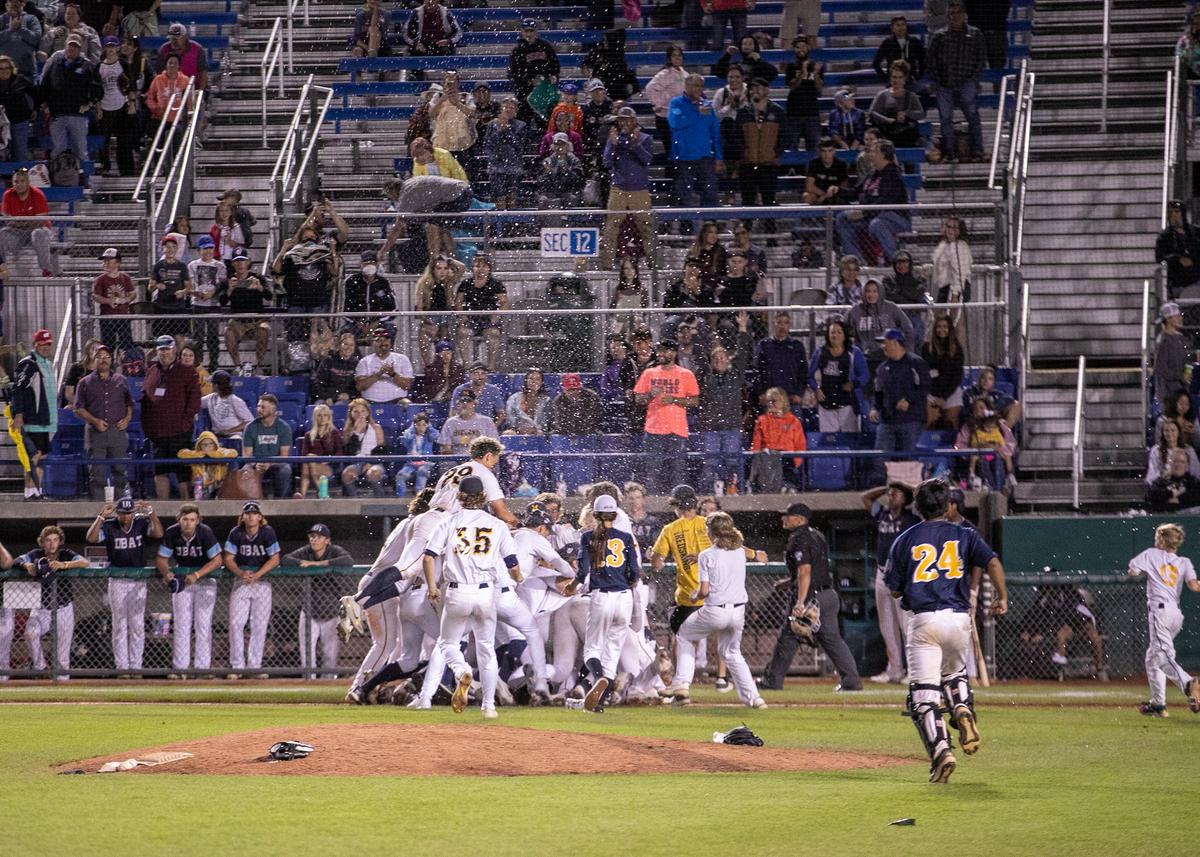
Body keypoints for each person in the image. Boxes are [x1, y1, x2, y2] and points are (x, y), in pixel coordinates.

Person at [884, 478, 1008, 783]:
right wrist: (1003, 597)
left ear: (917, 506)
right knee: (954, 673)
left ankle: (941, 751)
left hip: (925, 620)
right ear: (947, 505)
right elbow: (992, 562)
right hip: (958, 618)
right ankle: (963, 709)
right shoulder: (964, 532)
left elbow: (895, 591)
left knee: (923, 698)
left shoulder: (905, 538)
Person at [423, 474, 521, 719]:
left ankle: (461, 671)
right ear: (483, 498)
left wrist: (432, 587)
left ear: (460, 497)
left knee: (448, 644)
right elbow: (512, 564)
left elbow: (428, 557)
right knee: (486, 649)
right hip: (486, 592)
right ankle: (489, 707)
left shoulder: (448, 522)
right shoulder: (497, 525)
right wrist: (518, 578)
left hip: (458, 591)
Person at [760, 503, 863, 692]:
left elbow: (805, 571)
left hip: (811, 599)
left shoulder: (799, 538)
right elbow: (813, 569)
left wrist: (800, 602)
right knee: (832, 639)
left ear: (800, 519)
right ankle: (851, 680)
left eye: (788, 516)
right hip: (828, 596)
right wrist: (789, 582)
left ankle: (771, 681)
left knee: (789, 636)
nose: (784, 518)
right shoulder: (817, 534)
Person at [674, 512, 768, 708]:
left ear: (711, 531)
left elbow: (704, 591)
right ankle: (755, 699)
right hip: (738, 612)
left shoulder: (706, 555)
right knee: (733, 653)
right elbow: (741, 549)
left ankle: (681, 685)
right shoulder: (739, 552)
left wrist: (694, 596)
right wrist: (758, 554)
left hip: (715, 611)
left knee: (683, 635)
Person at [573, 493, 639, 712]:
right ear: (615, 513)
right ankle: (599, 704)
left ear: (595, 514)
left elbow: (582, 572)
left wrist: (573, 585)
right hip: (624, 597)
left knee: (592, 649)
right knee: (612, 651)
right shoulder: (626, 537)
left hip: (602, 596)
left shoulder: (588, 537)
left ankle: (599, 678)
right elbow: (634, 573)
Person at [1127, 522, 1200, 718]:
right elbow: (1194, 586)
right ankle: (1158, 704)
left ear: (1161, 539)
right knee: (1153, 658)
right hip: (1175, 615)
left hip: (1160, 612)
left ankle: (1189, 683)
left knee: (1162, 656)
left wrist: (1141, 572)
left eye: (1157, 537)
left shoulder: (1151, 553)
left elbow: (1132, 570)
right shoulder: (1184, 561)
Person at [85, 496, 163, 675]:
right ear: (118, 513)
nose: (126, 517)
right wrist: (101, 516)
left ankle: (136, 667)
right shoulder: (110, 525)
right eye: (123, 513)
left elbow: (158, 533)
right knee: (119, 624)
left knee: (136, 624)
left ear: (133, 513)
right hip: (117, 579)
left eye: (129, 513)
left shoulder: (141, 523)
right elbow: (91, 538)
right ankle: (122, 667)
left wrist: (151, 512)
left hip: (137, 579)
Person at [650, 484, 710, 701]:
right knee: (728, 647)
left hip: (688, 598)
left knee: (683, 638)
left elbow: (657, 565)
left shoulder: (670, 529)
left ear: (678, 506)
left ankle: (681, 683)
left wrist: (652, 555)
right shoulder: (709, 524)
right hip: (718, 596)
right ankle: (724, 681)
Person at [156, 503, 224, 677]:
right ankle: (181, 668)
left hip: (205, 580)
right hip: (182, 580)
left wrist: (197, 574)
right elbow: (161, 559)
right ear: (179, 519)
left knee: (203, 625)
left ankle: (202, 668)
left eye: (192, 519)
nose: (188, 523)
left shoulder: (205, 532)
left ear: (198, 520)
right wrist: (167, 573)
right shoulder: (172, 532)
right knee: (181, 624)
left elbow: (217, 560)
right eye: (185, 519)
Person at [861, 482, 919, 684]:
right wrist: (884, 489)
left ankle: (914, 670)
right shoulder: (882, 514)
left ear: (905, 499)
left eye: (897, 494)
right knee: (886, 626)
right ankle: (894, 668)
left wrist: (906, 490)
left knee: (906, 625)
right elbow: (866, 498)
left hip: (901, 575)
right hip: (881, 572)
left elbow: (919, 498)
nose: (892, 496)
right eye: (891, 493)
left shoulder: (910, 518)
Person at [16, 525, 88, 679]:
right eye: (48, 540)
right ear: (42, 543)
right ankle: (40, 667)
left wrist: (65, 565)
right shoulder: (36, 554)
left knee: (62, 656)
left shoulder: (66, 554)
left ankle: (62, 691)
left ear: (59, 541)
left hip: (64, 608)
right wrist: (26, 564)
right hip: (41, 608)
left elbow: (84, 562)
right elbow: (18, 559)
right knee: (30, 634)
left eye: (55, 540)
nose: (52, 544)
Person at [285, 523, 354, 680]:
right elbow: (286, 560)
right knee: (307, 655)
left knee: (330, 656)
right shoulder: (306, 551)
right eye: (312, 536)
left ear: (327, 540)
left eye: (318, 537)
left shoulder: (334, 550)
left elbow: (348, 561)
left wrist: (317, 564)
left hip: (332, 612)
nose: (314, 540)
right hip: (310, 611)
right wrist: (305, 563)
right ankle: (309, 685)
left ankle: (327, 685)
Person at [634, 339, 700, 494]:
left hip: (676, 431)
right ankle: (654, 503)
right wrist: (650, 394)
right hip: (653, 431)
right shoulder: (649, 373)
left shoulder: (686, 374)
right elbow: (638, 400)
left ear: (673, 353)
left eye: (664, 351)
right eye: (659, 351)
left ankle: (678, 502)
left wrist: (674, 399)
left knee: (678, 473)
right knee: (652, 473)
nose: (661, 354)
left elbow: (695, 401)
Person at [223, 502, 280, 679]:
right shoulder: (236, 532)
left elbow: (275, 559)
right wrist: (241, 573)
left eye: (254, 513)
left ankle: (254, 666)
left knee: (259, 626)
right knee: (235, 624)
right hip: (241, 582)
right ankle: (237, 665)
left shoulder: (267, 532)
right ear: (243, 516)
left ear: (260, 516)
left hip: (262, 583)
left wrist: (257, 574)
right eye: (247, 513)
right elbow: (228, 558)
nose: (251, 516)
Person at [927, 1, 987, 162]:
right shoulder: (939, 36)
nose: (955, 16)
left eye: (958, 12)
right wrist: (938, 80)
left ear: (964, 14)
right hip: (944, 83)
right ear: (947, 16)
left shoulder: (975, 34)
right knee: (945, 119)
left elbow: (980, 59)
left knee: (973, 117)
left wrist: (973, 78)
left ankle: (977, 151)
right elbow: (931, 60)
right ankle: (951, 152)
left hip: (967, 81)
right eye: (952, 13)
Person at [698, 317, 752, 494]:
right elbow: (701, 352)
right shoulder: (706, 376)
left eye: (723, 357)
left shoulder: (736, 374)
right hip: (711, 428)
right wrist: (709, 330)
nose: (719, 360)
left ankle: (733, 488)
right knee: (710, 461)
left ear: (728, 359)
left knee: (732, 461)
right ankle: (706, 492)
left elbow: (743, 352)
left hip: (731, 426)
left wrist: (742, 328)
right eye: (716, 358)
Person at [870, 329, 931, 485]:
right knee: (880, 457)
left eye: (886, 342)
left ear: (896, 343)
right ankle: (883, 489)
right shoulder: (882, 368)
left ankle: (909, 491)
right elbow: (877, 392)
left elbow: (925, 386)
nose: (883, 346)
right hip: (887, 420)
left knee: (908, 457)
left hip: (910, 419)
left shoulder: (915, 363)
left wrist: (909, 400)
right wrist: (874, 408)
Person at [73, 342, 133, 500]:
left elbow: (129, 403)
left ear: (111, 360)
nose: (103, 359)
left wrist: (127, 419)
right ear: (93, 360)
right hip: (95, 432)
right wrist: (95, 421)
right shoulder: (84, 382)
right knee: (96, 471)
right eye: (99, 357)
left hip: (117, 431)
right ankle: (98, 508)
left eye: (106, 356)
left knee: (120, 470)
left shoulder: (121, 380)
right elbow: (78, 408)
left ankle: (122, 505)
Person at [836, 140, 910, 265]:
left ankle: (898, 263)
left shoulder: (892, 173)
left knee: (877, 224)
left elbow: (885, 202)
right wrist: (837, 190)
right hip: (871, 216)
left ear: (883, 155)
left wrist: (864, 212)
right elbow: (854, 192)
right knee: (842, 218)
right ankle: (859, 262)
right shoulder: (872, 174)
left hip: (895, 217)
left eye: (874, 151)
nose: (870, 154)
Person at [601, 106, 656, 268]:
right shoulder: (614, 139)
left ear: (634, 120)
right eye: (621, 120)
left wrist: (636, 144)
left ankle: (653, 263)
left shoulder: (645, 138)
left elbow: (647, 160)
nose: (624, 123)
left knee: (646, 226)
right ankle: (607, 264)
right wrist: (612, 144)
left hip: (639, 190)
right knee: (611, 226)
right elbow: (606, 162)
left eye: (628, 119)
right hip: (619, 189)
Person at [668, 74, 723, 234]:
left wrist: (719, 157)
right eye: (695, 85)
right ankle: (686, 234)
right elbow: (675, 123)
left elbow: (715, 134)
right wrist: (696, 113)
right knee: (684, 196)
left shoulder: (708, 106)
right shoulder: (676, 103)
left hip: (705, 159)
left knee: (710, 194)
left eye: (700, 86)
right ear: (686, 85)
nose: (698, 89)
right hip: (683, 159)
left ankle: (710, 231)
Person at [39, 32, 101, 165]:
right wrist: (45, 104)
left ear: (80, 49)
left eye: (75, 46)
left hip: (77, 115)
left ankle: (85, 181)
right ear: (65, 46)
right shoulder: (55, 63)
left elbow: (97, 88)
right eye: (70, 46)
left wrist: (90, 104)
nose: (72, 49)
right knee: (58, 150)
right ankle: (58, 178)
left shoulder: (87, 65)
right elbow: (45, 84)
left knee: (80, 150)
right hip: (57, 114)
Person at [271, 221, 337, 342]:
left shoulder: (321, 254)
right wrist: (284, 249)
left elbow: (334, 272)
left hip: (317, 302)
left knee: (318, 337)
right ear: (301, 239)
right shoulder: (291, 255)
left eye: (312, 237)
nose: (309, 240)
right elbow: (276, 268)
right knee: (295, 337)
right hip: (296, 303)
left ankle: (317, 360)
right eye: (305, 237)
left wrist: (332, 251)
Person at [11, 329, 57, 499]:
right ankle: (30, 492)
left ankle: (37, 491)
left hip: (47, 421)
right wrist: (18, 414)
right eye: (42, 344)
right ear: (35, 345)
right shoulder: (28, 364)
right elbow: (18, 388)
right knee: (33, 456)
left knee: (41, 457)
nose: (46, 347)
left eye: (48, 344)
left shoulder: (48, 364)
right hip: (34, 420)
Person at [808, 318, 868, 433]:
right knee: (829, 442)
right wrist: (816, 389)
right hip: (826, 404)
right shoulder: (820, 352)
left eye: (839, 332)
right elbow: (809, 376)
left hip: (848, 404)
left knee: (850, 442)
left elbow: (865, 375)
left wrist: (853, 384)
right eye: (832, 332)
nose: (835, 335)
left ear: (845, 335)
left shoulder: (854, 352)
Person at [847, 279, 914, 379]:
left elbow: (908, 328)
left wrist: (907, 352)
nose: (871, 294)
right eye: (868, 291)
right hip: (865, 358)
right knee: (866, 390)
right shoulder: (856, 310)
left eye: (875, 291)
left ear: (880, 292)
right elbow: (843, 330)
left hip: (889, 357)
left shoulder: (891, 308)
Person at [737, 77, 784, 214]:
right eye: (752, 88)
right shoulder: (743, 112)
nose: (755, 91)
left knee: (769, 202)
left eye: (759, 87)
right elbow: (735, 136)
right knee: (747, 203)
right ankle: (746, 232)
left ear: (767, 90)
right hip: (747, 165)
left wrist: (776, 152)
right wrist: (743, 152)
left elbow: (786, 136)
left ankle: (770, 233)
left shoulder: (777, 111)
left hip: (768, 165)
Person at [749, 385, 808, 492]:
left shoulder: (793, 421)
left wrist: (796, 462)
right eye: (769, 401)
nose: (771, 404)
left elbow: (800, 445)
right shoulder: (762, 420)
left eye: (774, 401)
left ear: (782, 401)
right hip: (767, 458)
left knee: (784, 461)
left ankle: (787, 486)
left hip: (787, 459)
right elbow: (756, 444)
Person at [0, 167, 56, 276]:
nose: (19, 184)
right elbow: (8, 221)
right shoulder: (8, 195)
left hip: (39, 230)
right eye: (16, 182)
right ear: (12, 183)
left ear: (28, 182)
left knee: (37, 233)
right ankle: (3, 270)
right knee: (2, 233)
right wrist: (28, 221)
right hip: (18, 232)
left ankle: (46, 270)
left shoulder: (37, 194)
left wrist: (18, 222)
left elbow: (40, 222)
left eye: (22, 181)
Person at [221, 253, 271, 372]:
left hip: (256, 321)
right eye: (237, 261)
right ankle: (237, 366)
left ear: (248, 262)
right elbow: (222, 302)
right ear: (233, 263)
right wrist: (230, 289)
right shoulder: (229, 279)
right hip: (237, 322)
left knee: (264, 329)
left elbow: (269, 296)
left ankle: (259, 366)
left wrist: (259, 288)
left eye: (242, 261)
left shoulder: (257, 278)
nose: (240, 264)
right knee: (228, 332)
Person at [95, 34, 137, 176]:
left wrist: (132, 103)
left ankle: (127, 171)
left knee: (124, 141)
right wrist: (99, 107)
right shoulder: (99, 67)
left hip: (121, 106)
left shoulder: (123, 64)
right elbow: (97, 89)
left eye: (113, 46)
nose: (111, 49)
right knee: (104, 141)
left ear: (118, 47)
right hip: (105, 108)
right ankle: (105, 168)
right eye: (108, 46)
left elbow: (131, 85)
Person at [644, 46, 688, 178]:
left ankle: (678, 181)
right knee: (672, 149)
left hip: (680, 119)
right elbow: (650, 89)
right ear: (669, 58)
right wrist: (659, 104)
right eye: (674, 55)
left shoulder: (685, 74)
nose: (677, 58)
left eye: (679, 55)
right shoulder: (664, 74)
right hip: (665, 118)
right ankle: (672, 182)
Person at [415, 253, 465, 364]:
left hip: (447, 317)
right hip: (430, 317)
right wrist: (429, 322)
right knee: (424, 335)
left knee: (445, 331)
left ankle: (447, 363)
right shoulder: (423, 284)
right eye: (439, 268)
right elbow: (419, 308)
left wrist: (450, 260)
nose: (442, 271)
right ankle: (428, 366)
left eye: (445, 268)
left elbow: (462, 268)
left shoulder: (449, 282)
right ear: (432, 270)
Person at [930, 216, 973, 343]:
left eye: (954, 228)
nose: (950, 230)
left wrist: (955, 294)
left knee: (957, 322)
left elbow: (960, 272)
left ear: (960, 231)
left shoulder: (960, 246)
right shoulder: (943, 245)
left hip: (957, 287)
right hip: (944, 287)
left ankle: (958, 356)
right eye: (948, 227)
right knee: (940, 322)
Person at [242, 393, 294, 499]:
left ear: (273, 410)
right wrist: (256, 464)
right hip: (255, 464)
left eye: (263, 407)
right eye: (258, 406)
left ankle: (280, 502)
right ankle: (250, 504)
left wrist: (269, 463)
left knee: (285, 469)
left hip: (275, 465)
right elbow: (247, 455)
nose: (259, 409)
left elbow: (284, 456)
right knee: (245, 469)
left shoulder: (284, 428)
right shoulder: (250, 427)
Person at [508, 19, 559, 126]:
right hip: (525, 94)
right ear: (521, 32)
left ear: (536, 32)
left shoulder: (545, 46)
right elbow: (514, 73)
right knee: (523, 122)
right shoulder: (517, 50)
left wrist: (553, 75)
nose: (529, 34)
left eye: (531, 31)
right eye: (526, 31)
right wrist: (529, 80)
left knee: (545, 121)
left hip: (544, 92)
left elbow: (555, 65)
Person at [753, 312, 809, 409]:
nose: (782, 326)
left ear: (789, 325)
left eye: (785, 323)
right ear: (774, 323)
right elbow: (757, 370)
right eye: (779, 322)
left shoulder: (797, 346)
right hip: (770, 398)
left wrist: (799, 393)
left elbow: (803, 371)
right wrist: (761, 393)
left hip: (791, 397)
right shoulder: (763, 345)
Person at [187, 235, 226, 372]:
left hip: (213, 305)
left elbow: (223, 285)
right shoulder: (192, 265)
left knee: (213, 336)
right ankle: (198, 365)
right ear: (199, 250)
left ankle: (214, 365)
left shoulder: (220, 265)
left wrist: (213, 293)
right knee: (197, 337)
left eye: (210, 248)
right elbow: (189, 285)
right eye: (205, 249)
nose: (208, 251)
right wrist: (196, 293)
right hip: (197, 304)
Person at [483, 96, 528, 211]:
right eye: (506, 107)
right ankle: (499, 225)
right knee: (499, 198)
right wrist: (499, 131)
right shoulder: (492, 125)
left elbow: (519, 146)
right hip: (496, 167)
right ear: (501, 109)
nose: (508, 110)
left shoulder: (521, 125)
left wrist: (506, 130)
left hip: (514, 167)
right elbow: (488, 145)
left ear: (516, 111)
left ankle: (512, 225)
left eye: (511, 108)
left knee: (512, 198)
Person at [869, 60, 925, 148]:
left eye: (900, 77)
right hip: (887, 133)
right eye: (894, 77)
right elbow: (873, 112)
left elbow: (921, 114)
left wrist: (907, 114)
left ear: (905, 78)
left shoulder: (911, 96)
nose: (897, 80)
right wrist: (888, 120)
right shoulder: (883, 94)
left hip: (905, 135)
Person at [922, 315, 965, 428]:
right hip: (931, 390)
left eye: (945, 327)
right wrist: (936, 396)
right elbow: (926, 372)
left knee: (951, 421)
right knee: (928, 419)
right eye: (939, 326)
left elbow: (957, 376)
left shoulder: (957, 349)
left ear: (949, 329)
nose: (942, 329)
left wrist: (944, 397)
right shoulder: (926, 348)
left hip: (950, 390)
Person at [429, 69, 477, 172]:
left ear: (458, 83)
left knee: (463, 174)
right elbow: (431, 114)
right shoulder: (437, 97)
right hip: (442, 143)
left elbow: (472, 113)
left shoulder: (466, 96)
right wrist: (443, 99)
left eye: (453, 82)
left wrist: (457, 103)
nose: (451, 85)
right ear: (444, 83)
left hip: (463, 143)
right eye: (448, 82)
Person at [340, 397, 387, 497]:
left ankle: (380, 500)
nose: (360, 414)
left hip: (375, 461)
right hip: (356, 462)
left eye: (363, 411)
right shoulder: (347, 431)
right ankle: (354, 501)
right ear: (351, 414)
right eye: (356, 411)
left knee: (373, 473)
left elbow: (381, 450)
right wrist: (356, 432)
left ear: (367, 412)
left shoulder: (376, 428)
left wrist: (370, 462)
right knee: (346, 474)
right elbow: (349, 453)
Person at [355, 326, 414, 405]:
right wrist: (379, 374)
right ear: (372, 343)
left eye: (386, 340)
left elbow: (407, 386)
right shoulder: (364, 361)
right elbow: (360, 386)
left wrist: (393, 374)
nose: (383, 343)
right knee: (359, 405)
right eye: (378, 340)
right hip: (369, 402)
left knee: (408, 404)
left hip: (397, 401)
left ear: (390, 342)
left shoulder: (402, 359)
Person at [92, 247, 135, 353]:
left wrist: (125, 300)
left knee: (127, 344)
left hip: (123, 316)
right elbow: (96, 296)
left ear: (117, 263)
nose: (105, 263)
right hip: (107, 317)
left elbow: (133, 294)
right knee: (108, 345)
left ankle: (127, 365)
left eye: (108, 261)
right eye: (104, 261)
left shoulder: (125, 277)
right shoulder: (101, 279)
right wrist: (108, 301)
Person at [149, 233, 191, 340]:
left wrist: (182, 292)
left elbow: (189, 286)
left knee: (179, 337)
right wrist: (158, 285)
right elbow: (150, 287)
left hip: (178, 306)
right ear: (163, 249)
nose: (170, 249)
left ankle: (180, 356)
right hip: (162, 306)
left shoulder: (182, 266)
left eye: (173, 247)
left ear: (177, 248)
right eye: (167, 247)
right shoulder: (158, 266)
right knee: (161, 340)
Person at [784, 37, 823, 151]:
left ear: (808, 47)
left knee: (815, 147)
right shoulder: (791, 66)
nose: (801, 49)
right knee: (792, 147)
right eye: (798, 47)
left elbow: (819, 87)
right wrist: (803, 72)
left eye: (803, 46)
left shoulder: (816, 66)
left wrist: (815, 74)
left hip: (812, 112)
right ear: (794, 49)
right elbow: (792, 86)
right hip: (794, 113)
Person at [296, 403, 342, 499]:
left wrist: (323, 459)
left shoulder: (334, 433)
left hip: (329, 465)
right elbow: (303, 454)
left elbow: (339, 453)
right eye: (319, 415)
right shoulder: (308, 435)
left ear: (329, 417)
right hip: (311, 464)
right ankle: (319, 493)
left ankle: (303, 494)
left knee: (309, 460)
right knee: (308, 461)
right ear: (315, 417)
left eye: (325, 415)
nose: (322, 418)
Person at [1156, 199, 1200, 298]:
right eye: (1170, 212)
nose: (1173, 215)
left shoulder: (1196, 233)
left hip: (1196, 281)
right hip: (1175, 283)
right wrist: (1177, 259)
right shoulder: (1164, 236)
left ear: (1183, 214)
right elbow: (1159, 257)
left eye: (1176, 212)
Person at [177, 430, 237, 499]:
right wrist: (201, 454)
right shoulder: (197, 454)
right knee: (198, 483)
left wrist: (211, 454)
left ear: (215, 444)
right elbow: (181, 453)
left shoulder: (220, 452)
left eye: (210, 444)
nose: (207, 446)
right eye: (204, 444)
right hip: (201, 486)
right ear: (199, 445)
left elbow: (234, 453)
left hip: (219, 485)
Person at [438, 389, 499, 456]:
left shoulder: (486, 421)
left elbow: (493, 445)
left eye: (468, 401)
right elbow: (445, 449)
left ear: (474, 404)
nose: (465, 404)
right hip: (456, 460)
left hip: (480, 458)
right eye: (462, 401)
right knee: (447, 464)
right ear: (458, 404)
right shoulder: (450, 422)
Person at [0, 54, 36, 160]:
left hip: (19, 122)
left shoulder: (20, 80)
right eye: (1, 68)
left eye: (7, 68)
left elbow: (36, 94)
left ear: (12, 68)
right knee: (2, 156)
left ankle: (22, 175)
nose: (4, 71)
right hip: (1, 125)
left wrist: (34, 109)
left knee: (20, 154)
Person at [873, 15, 927, 83]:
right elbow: (876, 63)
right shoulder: (887, 43)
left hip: (911, 81)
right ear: (892, 28)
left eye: (903, 25)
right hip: (893, 82)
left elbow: (923, 61)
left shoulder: (914, 41)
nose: (901, 27)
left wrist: (918, 77)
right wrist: (886, 78)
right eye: (898, 25)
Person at [450, 361, 506, 426]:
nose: (480, 377)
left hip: (486, 426)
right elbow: (453, 413)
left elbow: (501, 414)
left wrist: (492, 428)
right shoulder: (460, 390)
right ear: (470, 375)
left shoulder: (493, 390)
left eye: (483, 373)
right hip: (465, 427)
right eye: (476, 373)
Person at [158, 21, 208, 91]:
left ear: (185, 37)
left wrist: (200, 91)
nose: (174, 42)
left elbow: (203, 72)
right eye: (172, 39)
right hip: (170, 89)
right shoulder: (164, 49)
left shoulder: (197, 49)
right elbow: (160, 73)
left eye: (177, 39)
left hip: (193, 88)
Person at [1146, 420, 1200, 484]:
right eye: (1166, 430)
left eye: (1173, 430)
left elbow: (1196, 471)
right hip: (1164, 484)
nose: (1169, 433)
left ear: (1178, 432)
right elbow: (1151, 474)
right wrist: (1164, 474)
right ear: (1162, 433)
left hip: (1185, 484)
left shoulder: (1188, 449)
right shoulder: (1156, 450)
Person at [313, 333, 361, 405]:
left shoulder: (357, 363)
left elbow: (358, 385)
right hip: (326, 397)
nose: (348, 347)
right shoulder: (328, 361)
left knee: (340, 405)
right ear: (339, 345)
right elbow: (318, 382)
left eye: (351, 345)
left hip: (346, 399)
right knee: (319, 406)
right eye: (345, 344)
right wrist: (327, 397)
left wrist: (349, 395)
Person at [396, 412, 437, 495]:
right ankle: (400, 497)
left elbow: (435, 435)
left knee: (421, 472)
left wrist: (429, 427)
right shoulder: (410, 436)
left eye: (424, 425)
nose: (421, 427)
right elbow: (404, 439)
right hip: (411, 464)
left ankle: (419, 496)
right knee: (400, 475)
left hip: (426, 463)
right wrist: (412, 428)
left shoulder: (429, 436)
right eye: (418, 425)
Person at [803, 137, 850, 205]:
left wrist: (833, 193)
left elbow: (844, 185)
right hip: (819, 194)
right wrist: (824, 195)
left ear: (834, 151)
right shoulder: (813, 163)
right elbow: (809, 186)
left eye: (830, 151)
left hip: (834, 194)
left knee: (842, 198)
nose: (827, 154)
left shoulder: (841, 164)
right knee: (807, 196)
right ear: (819, 152)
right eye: (823, 151)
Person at [0, 2, 40, 81]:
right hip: (3, 70)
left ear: (23, 4)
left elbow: (36, 39)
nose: (15, 4)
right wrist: (10, 30)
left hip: (27, 71)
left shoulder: (32, 19)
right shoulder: (1, 19)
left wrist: (21, 29)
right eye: (12, 1)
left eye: (18, 2)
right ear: (6, 4)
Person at [416, 339, 464, 404]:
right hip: (433, 401)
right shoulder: (431, 369)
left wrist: (451, 395)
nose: (446, 356)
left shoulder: (458, 369)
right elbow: (429, 390)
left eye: (448, 353)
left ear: (452, 354)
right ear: (438, 354)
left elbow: (460, 387)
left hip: (452, 401)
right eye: (443, 353)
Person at [505, 369, 550, 435]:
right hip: (517, 432)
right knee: (508, 433)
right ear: (526, 381)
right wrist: (519, 428)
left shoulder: (546, 400)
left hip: (539, 433)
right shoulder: (514, 398)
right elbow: (510, 419)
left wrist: (535, 430)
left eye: (538, 379)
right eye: (531, 378)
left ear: (541, 382)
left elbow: (548, 422)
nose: (534, 382)